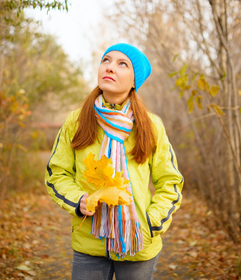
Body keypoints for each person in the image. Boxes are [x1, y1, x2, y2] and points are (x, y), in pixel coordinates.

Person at [45, 43, 184, 280]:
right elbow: (57, 174)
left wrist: (150, 223)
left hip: (138, 244)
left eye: (122, 64)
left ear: (134, 81)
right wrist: (79, 201)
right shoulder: (76, 121)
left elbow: (170, 183)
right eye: (106, 61)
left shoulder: (151, 126)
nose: (110, 68)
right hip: (89, 243)